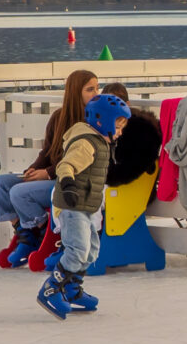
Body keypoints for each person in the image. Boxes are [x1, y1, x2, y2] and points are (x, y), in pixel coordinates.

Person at [0, 69, 98, 266]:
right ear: (76, 92)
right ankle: (24, 233)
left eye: (97, 88)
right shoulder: (59, 117)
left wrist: (48, 173)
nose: (96, 93)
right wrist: (33, 170)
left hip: (68, 181)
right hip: (49, 176)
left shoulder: (92, 121)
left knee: (19, 193)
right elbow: (47, 151)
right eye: (90, 89)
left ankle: (46, 234)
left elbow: (81, 159)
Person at [39, 92, 124, 319]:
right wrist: (67, 184)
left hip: (88, 206)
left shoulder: (101, 142)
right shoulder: (86, 143)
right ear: (102, 121)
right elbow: (66, 165)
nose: (120, 131)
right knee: (77, 251)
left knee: (91, 251)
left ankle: (72, 289)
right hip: (72, 204)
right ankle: (51, 289)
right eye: (118, 125)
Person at [100, 81, 165, 190]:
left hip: (128, 192)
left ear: (127, 104)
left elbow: (122, 174)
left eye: (114, 105)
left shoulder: (140, 131)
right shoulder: (105, 126)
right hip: (122, 188)